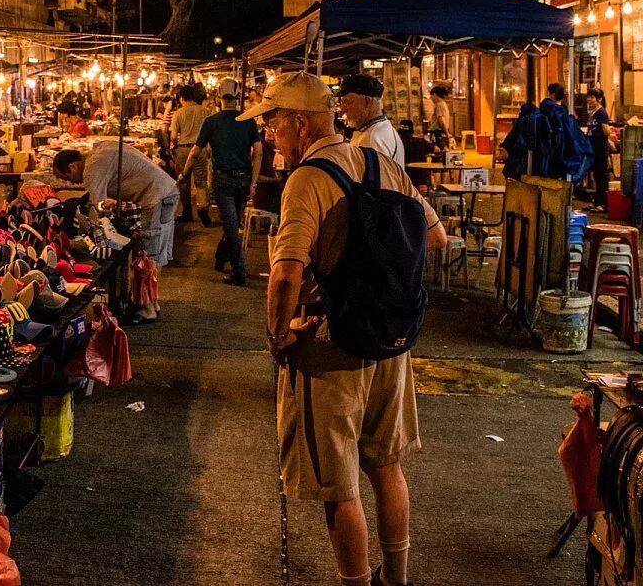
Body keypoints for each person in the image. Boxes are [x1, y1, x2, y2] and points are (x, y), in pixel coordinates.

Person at [243, 72, 446, 586]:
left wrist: (278, 335)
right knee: (386, 466)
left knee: (339, 487)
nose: (267, 134)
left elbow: (286, 272)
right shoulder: (380, 163)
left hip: (331, 344)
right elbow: (437, 237)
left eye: (271, 123)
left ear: (300, 122)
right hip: (389, 342)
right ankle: (395, 578)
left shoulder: (307, 179)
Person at [53, 143, 179, 322]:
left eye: (66, 177)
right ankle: (151, 303)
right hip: (164, 191)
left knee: (146, 255)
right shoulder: (99, 150)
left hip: (156, 196)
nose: (70, 183)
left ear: (73, 166)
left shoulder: (92, 167)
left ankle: (147, 309)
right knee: (150, 253)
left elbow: (97, 210)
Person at [181, 86, 262, 285]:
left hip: (223, 179)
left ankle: (239, 272)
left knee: (231, 226)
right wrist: (254, 181)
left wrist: (184, 174)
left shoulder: (211, 122)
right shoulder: (248, 120)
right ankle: (220, 258)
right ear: (237, 97)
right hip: (244, 178)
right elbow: (258, 151)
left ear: (219, 98)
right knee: (232, 224)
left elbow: (194, 152)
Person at [336, 73, 405, 166]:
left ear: (367, 102)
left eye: (348, 102)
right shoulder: (379, 129)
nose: (343, 110)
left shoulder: (373, 138)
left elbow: (374, 179)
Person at [169, 83, 211, 225]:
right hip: (200, 149)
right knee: (201, 181)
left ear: (181, 98)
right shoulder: (205, 111)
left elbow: (174, 135)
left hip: (183, 150)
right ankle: (203, 208)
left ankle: (187, 212)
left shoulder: (178, 113)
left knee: (184, 181)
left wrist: (173, 146)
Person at [585, 88, 613, 211]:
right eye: (589, 97)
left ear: (599, 99)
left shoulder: (601, 112)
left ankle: (603, 204)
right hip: (594, 146)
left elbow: (606, 130)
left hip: (600, 146)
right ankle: (597, 201)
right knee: (596, 174)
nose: (589, 99)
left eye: (592, 97)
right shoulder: (593, 112)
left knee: (601, 175)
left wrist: (610, 136)